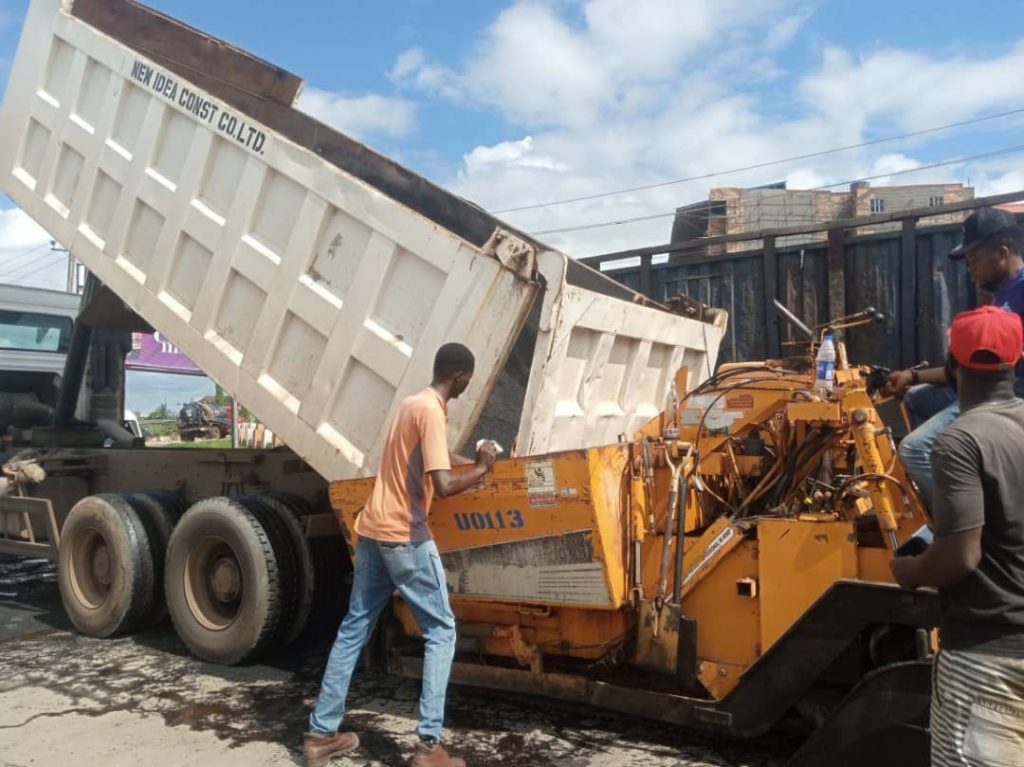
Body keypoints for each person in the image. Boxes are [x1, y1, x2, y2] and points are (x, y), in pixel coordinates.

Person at [302, 342, 497, 767]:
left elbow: (435, 458)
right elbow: (442, 486)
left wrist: (473, 460)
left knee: (354, 628)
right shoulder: (431, 412)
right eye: (468, 381)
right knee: (442, 631)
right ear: (461, 377)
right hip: (405, 536)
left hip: (372, 531)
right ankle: (429, 747)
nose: (467, 386)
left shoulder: (413, 405)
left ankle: (320, 735)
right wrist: (481, 470)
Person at [889, 306, 1024, 766]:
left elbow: (960, 558)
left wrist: (909, 571)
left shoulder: (961, 442)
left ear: (951, 365)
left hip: (986, 658)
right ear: (1018, 358)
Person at [886, 207, 1024, 501]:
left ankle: (962, 525)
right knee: (916, 397)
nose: (969, 268)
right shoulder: (1003, 293)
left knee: (914, 448)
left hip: (1006, 396)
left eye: (973, 259)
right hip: (986, 388)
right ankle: (958, 476)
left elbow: (987, 369)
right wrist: (912, 376)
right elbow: (968, 367)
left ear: (1001, 253)